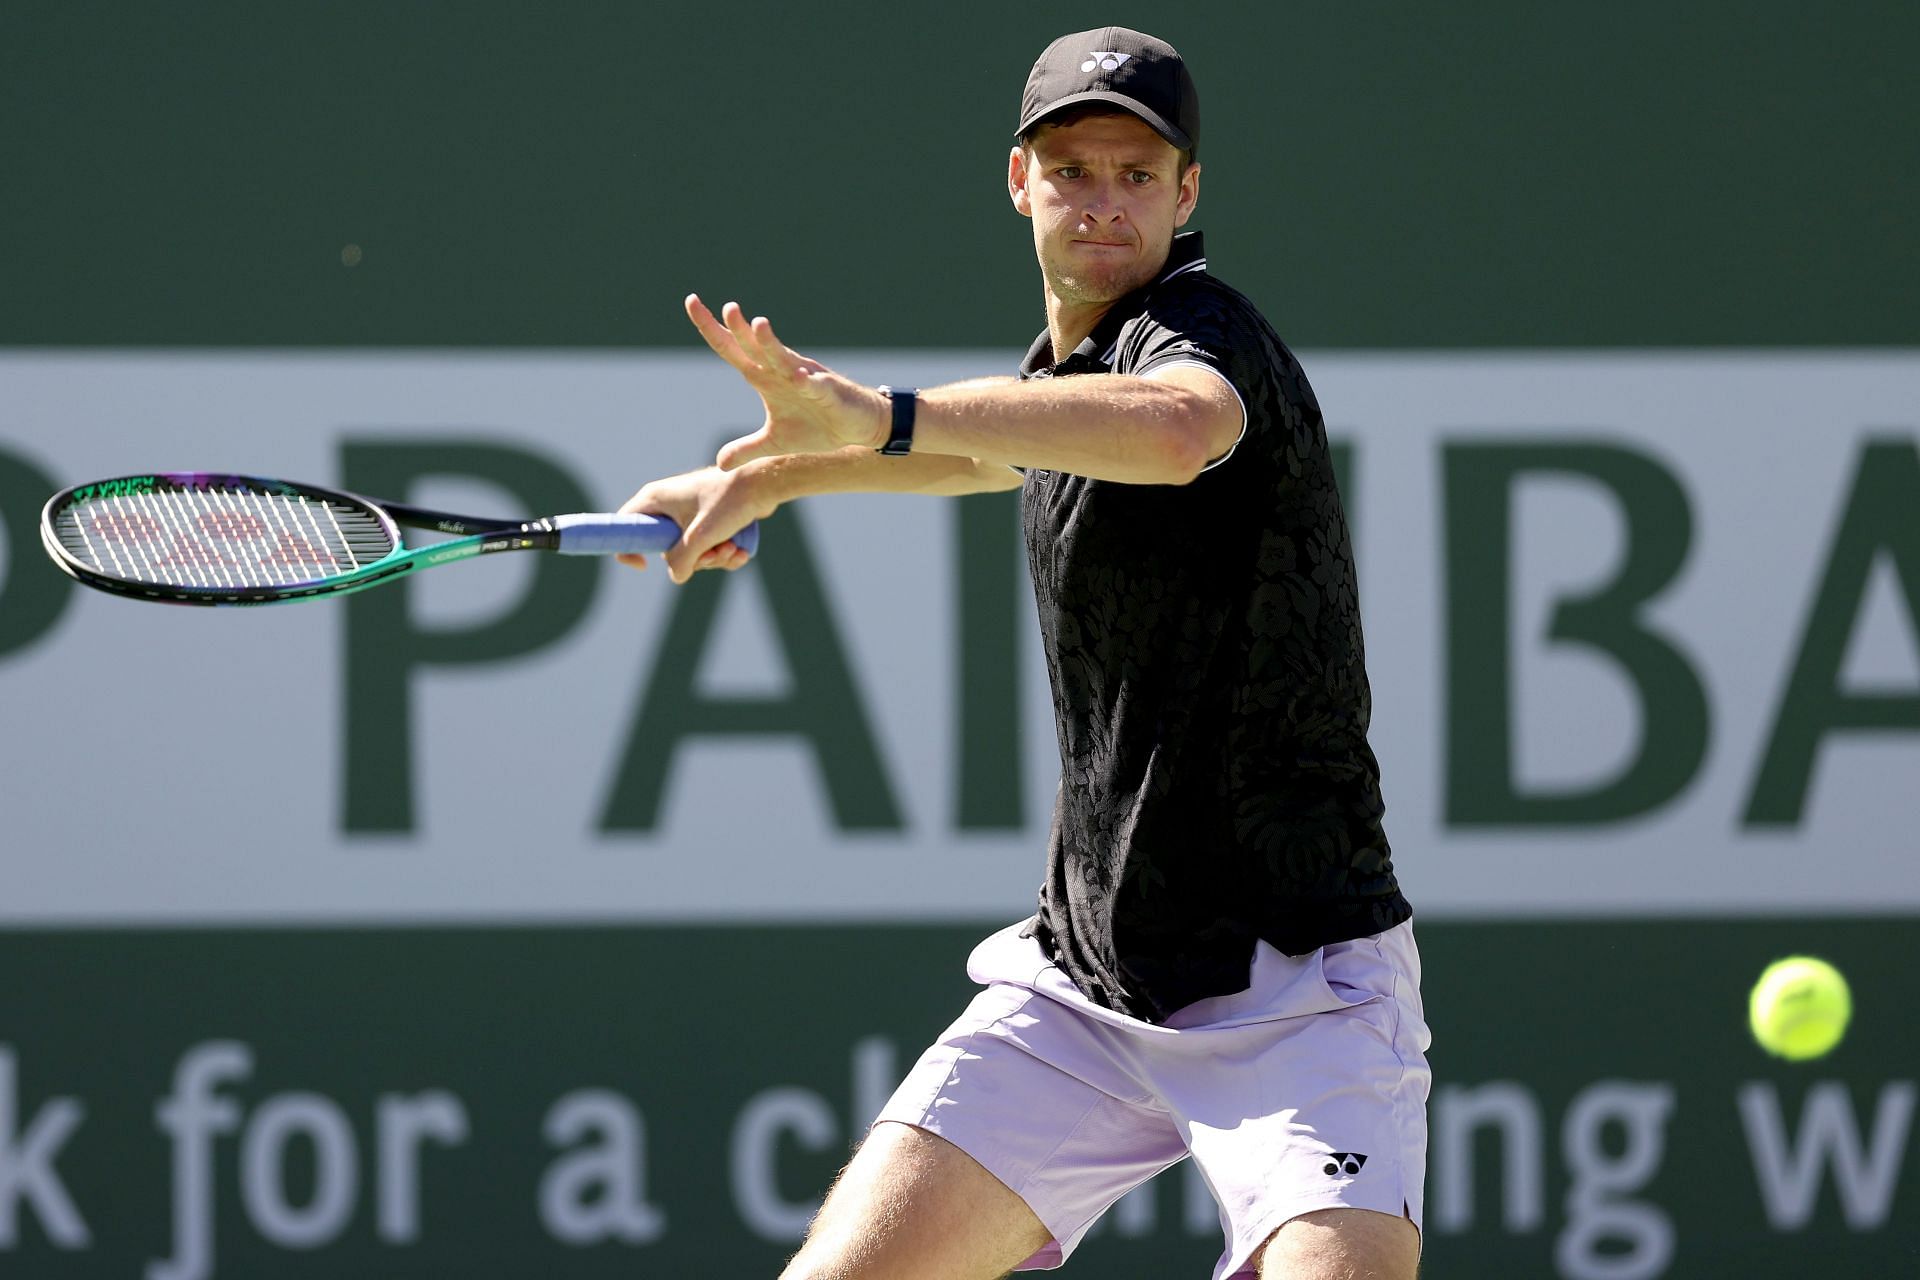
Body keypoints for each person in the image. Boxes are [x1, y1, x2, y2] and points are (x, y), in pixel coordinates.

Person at [618, 26, 1430, 1280]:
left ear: (1187, 193)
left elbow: (1174, 430)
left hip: (1300, 985)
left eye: (1135, 175)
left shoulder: (1205, 336)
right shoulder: (1071, 371)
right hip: (1087, 982)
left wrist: (880, 412)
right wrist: (755, 478)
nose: (1102, 202)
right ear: (1020, 181)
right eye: (1072, 171)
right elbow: (992, 454)